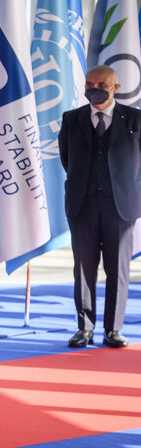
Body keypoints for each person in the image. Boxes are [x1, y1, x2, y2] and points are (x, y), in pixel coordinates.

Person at [58, 65, 141, 348]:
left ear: (115, 88)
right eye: (89, 83)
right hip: (82, 205)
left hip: (121, 206)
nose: (94, 88)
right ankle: (85, 328)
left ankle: (113, 329)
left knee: (117, 269)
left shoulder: (135, 119)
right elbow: (66, 159)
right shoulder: (72, 119)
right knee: (83, 268)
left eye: (101, 85)